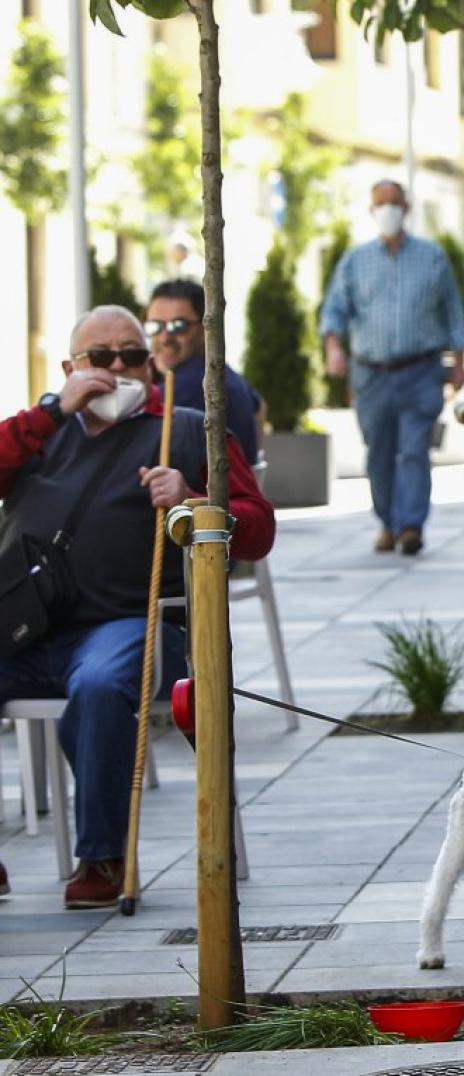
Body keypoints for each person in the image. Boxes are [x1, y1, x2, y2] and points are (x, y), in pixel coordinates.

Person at [0, 307, 274, 908]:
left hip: (137, 624)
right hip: (29, 626)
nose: (117, 369)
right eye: (101, 359)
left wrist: (195, 500)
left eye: (131, 356)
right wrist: (51, 411)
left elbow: (256, 530)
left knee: (99, 684)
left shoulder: (187, 428)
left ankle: (101, 856)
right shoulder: (42, 432)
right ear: (71, 368)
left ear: (150, 365)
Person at [320, 179, 464, 557]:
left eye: (394, 202)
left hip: (421, 369)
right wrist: (334, 348)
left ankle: (412, 525)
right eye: (380, 203)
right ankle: (388, 522)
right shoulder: (356, 260)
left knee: (415, 448)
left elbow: (453, 312)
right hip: (371, 373)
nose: (387, 209)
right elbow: (335, 309)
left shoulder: (432, 257)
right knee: (378, 451)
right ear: (372, 210)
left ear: (407, 207)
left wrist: (459, 363)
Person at [145, 280, 263, 467]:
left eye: (178, 326)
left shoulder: (186, 386)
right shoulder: (227, 375)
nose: (165, 338)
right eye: (155, 326)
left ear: (206, 328)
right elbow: (260, 407)